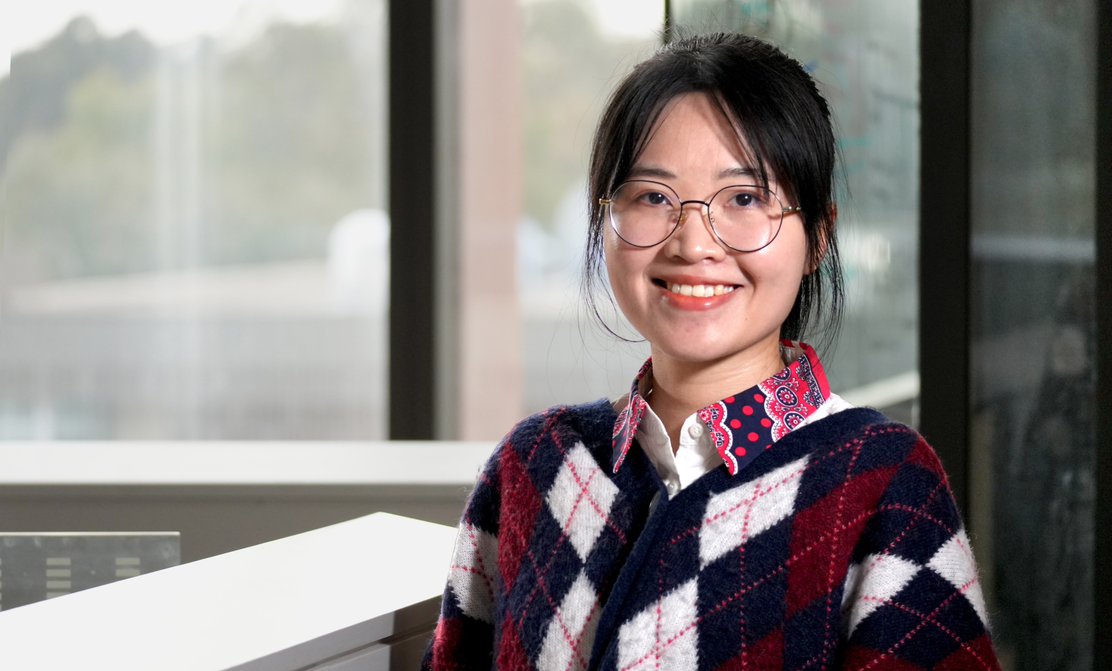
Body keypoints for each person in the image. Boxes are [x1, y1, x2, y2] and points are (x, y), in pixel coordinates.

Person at [423, 32, 998, 670]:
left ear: (818, 238)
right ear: (602, 222)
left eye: (745, 199)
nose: (694, 243)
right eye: (651, 198)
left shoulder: (882, 482)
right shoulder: (534, 468)